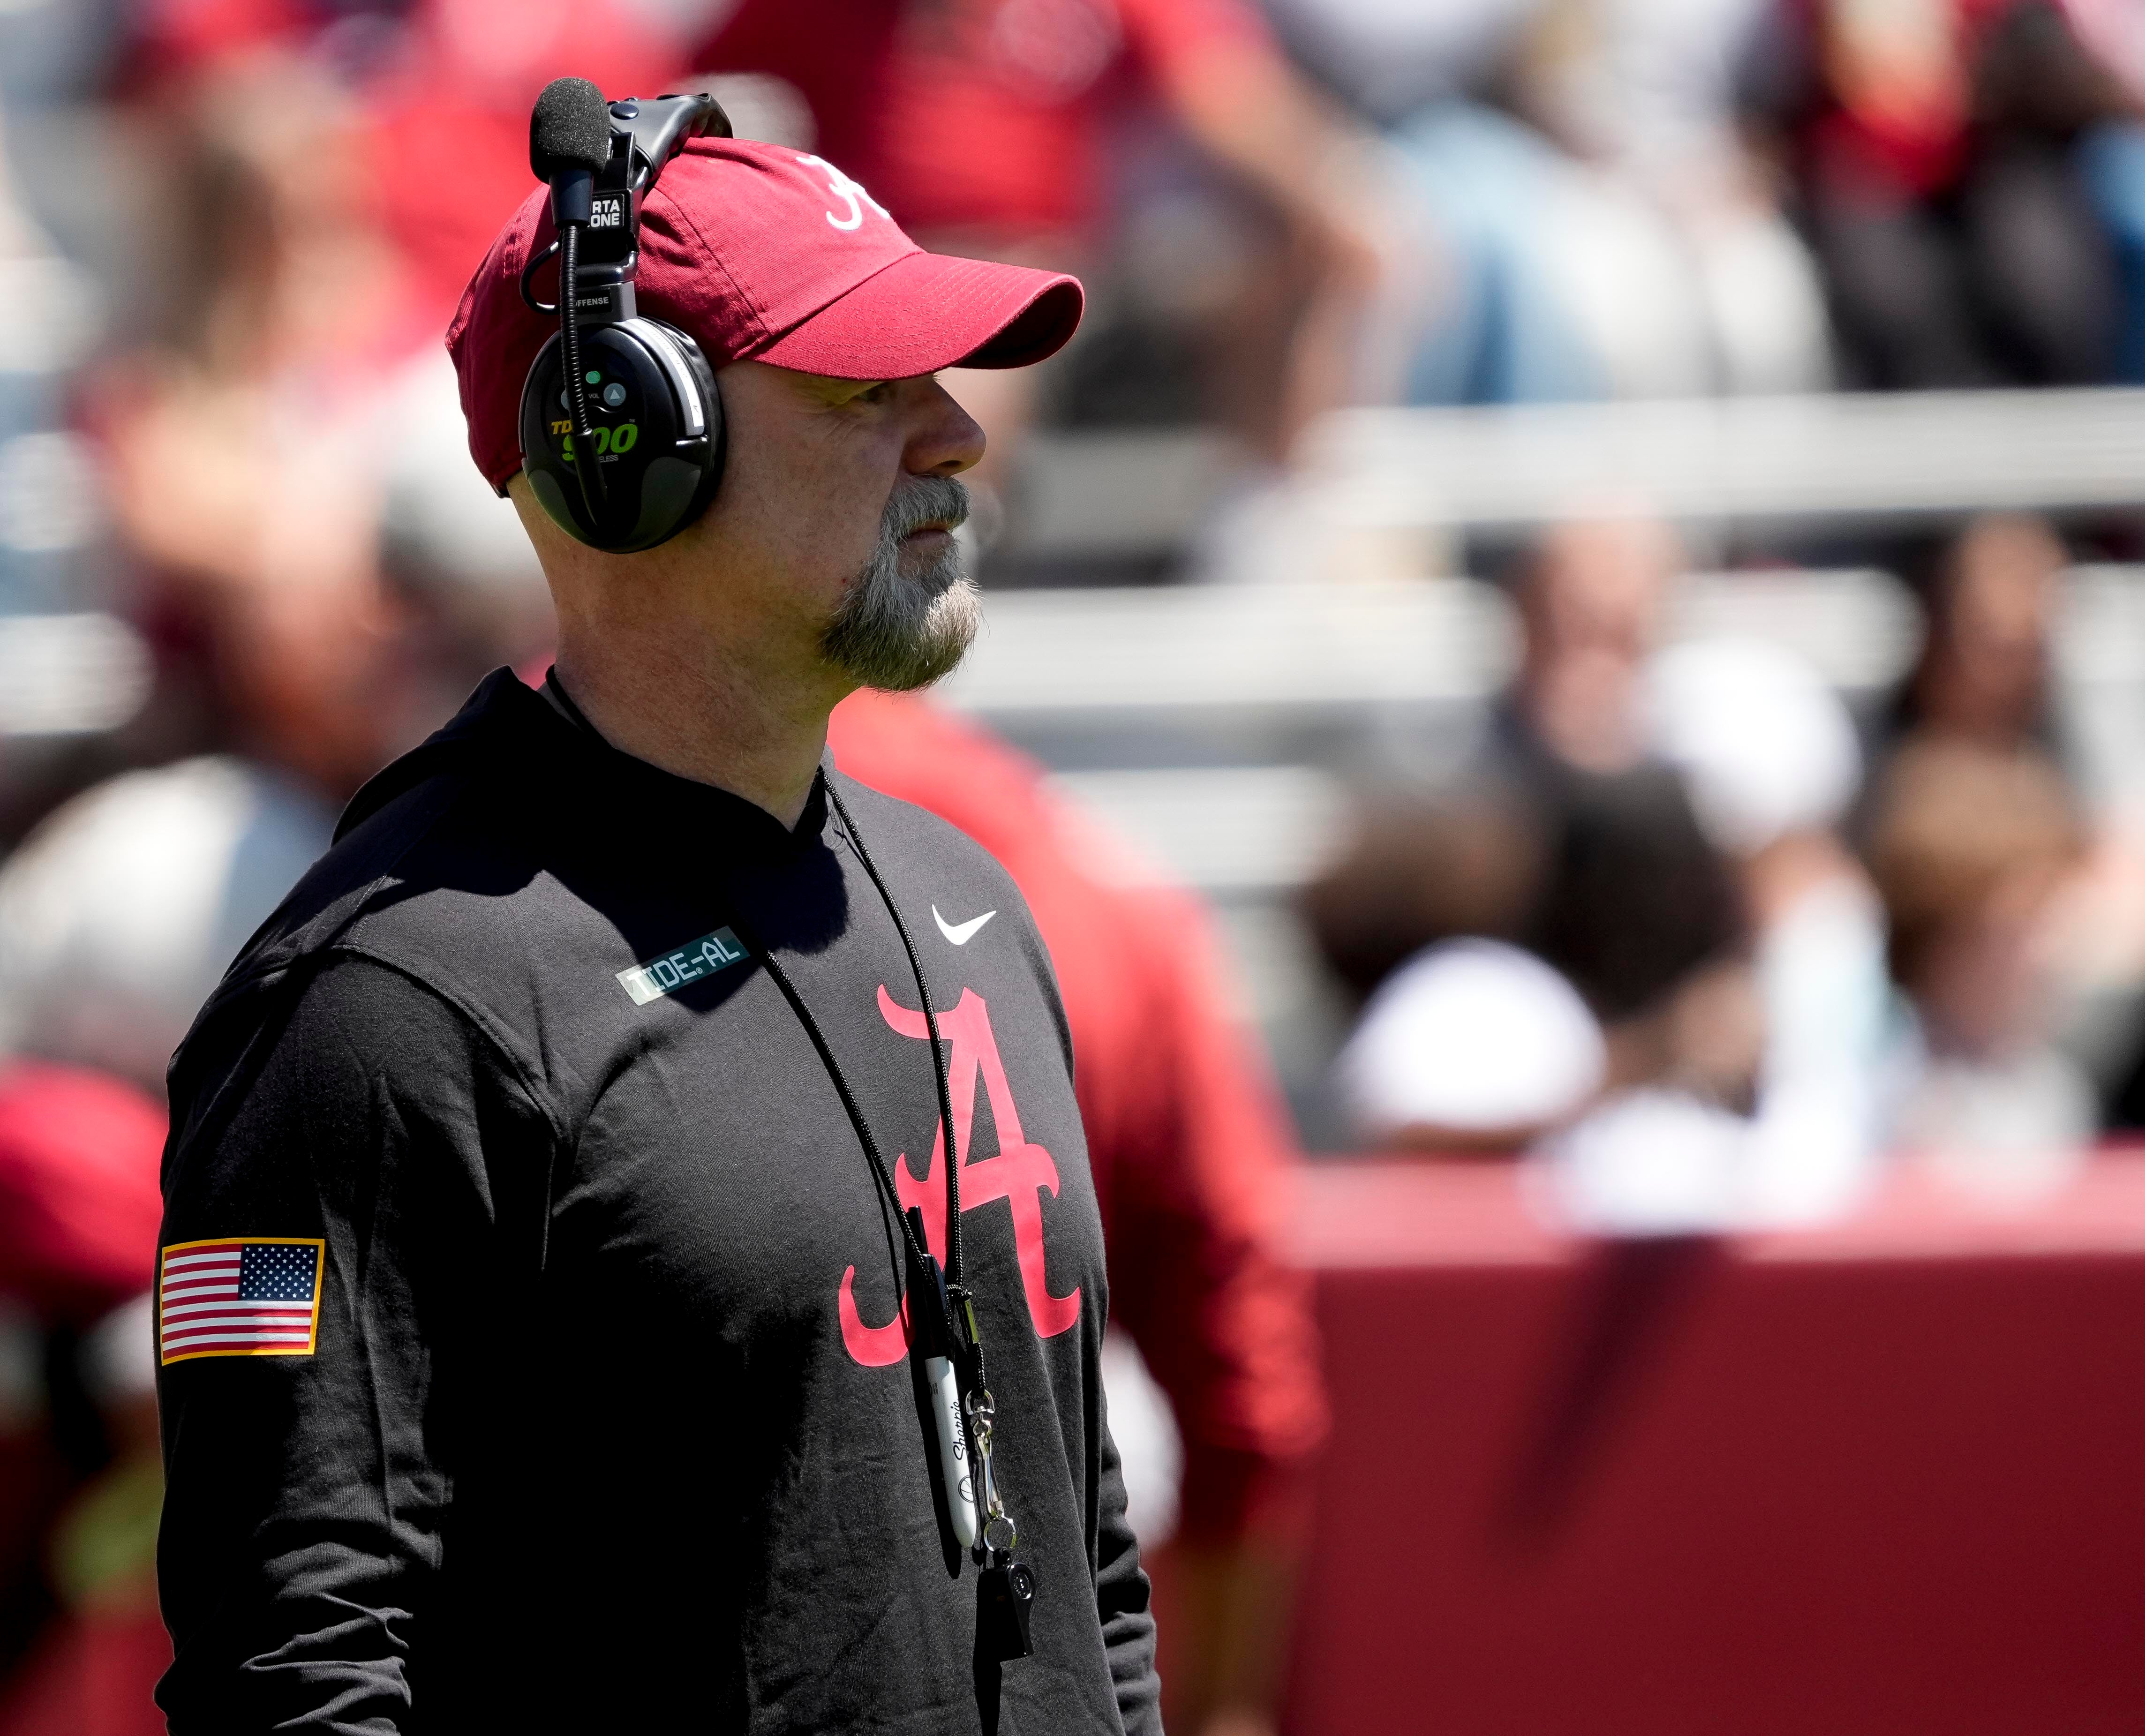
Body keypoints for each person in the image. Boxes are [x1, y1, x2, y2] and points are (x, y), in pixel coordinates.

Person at [152, 128, 1157, 1734]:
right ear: (631, 447)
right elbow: (295, 1669)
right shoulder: (381, 1005)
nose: (958, 436)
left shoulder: (968, 904)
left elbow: (1085, 1564)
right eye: (860, 392)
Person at [827, 689, 1326, 1736]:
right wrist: (1228, 1707)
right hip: (1028, 1595)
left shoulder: (524, 851)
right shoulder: (1085, 885)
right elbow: (1243, 1361)